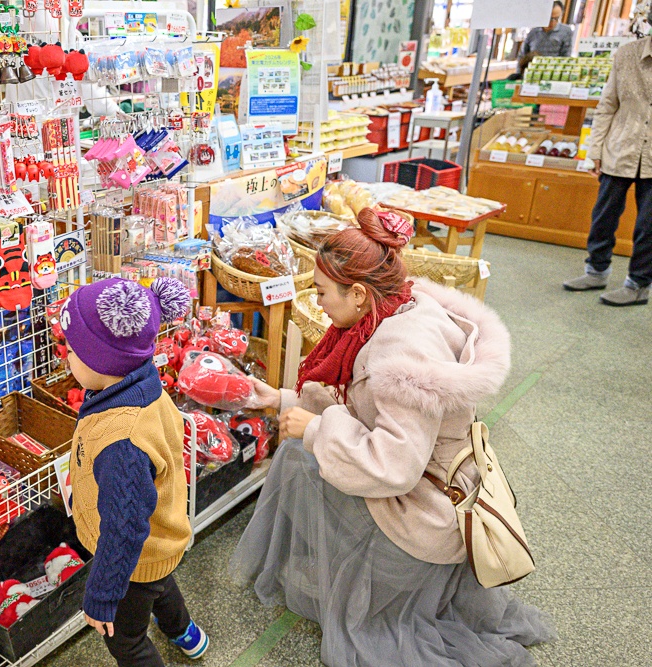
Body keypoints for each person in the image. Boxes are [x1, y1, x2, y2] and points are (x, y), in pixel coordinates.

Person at [230, 209, 556, 666]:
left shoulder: (400, 356)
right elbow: (365, 410)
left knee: (298, 461)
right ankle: (341, 570)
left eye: (322, 292)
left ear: (359, 293)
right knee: (302, 449)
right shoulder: (399, 308)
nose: (318, 302)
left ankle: (362, 578)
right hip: (442, 486)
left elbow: (394, 468)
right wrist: (283, 399)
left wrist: (317, 429)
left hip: (425, 512)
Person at [60, 277, 209, 667]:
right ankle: (188, 636)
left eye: (72, 350)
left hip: (132, 559)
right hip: (162, 536)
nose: (66, 357)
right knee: (159, 583)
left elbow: (124, 530)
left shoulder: (121, 440)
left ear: (101, 361)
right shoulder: (142, 385)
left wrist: (103, 596)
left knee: (126, 640)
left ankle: (175, 637)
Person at [562, 25, 652, 306]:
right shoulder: (626, 55)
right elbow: (607, 106)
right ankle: (596, 270)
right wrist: (595, 150)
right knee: (603, 215)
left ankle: (638, 284)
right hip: (620, 147)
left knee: (648, 226)